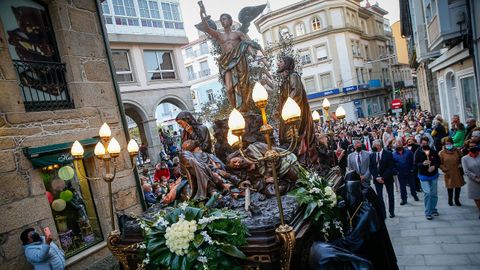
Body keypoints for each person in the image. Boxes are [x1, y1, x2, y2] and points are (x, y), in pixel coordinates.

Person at [200, 11, 261, 112]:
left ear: (230, 21)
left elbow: (246, 44)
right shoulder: (219, 34)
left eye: (224, 19)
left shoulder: (238, 33)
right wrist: (202, 15)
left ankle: (244, 109)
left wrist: (253, 54)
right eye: (221, 20)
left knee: (242, 86)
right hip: (226, 63)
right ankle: (236, 111)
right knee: (229, 88)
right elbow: (206, 28)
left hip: (239, 61)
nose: (222, 21)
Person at [277, 56, 319, 169]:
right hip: (287, 115)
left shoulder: (293, 76)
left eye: (280, 61)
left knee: (294, 136)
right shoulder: (284, 81)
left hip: (294, 115)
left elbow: (296, 92)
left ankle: (302, 159)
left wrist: (287, 107)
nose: (278, 64)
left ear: (286, 64)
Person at [226, 142, 299, 197]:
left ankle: (300, 183)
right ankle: (290, 185)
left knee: (294, 174)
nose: (237, 164)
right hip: (276, 178)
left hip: (282, 164)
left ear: (238, 155)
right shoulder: (248, 172)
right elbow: (256, 183)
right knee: (273, 191)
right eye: (235, 166)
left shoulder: (254, 148)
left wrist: (268, 174)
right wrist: (265, 180)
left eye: (235, 161)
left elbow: (274, 155)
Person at [414, 137, 441, 220]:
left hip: (433, 175)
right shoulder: (417, 152)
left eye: (426, 143)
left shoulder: (433, 151)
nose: (424, 145)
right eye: (423, 143)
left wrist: (434, 166)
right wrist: (423, 164)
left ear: (428, 143)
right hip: (423, 175)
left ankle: (433, 209)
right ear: (420, 143)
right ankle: (427, 212)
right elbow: (415, 164)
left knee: (434, 193)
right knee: (427, 193)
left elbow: (438, 162)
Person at [369, 140, 396, 219]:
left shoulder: (388, 154)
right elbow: (371, 167)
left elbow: (390, 167)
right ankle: (383, 213)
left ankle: (391, 212)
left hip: (387, 178)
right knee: (379, 197)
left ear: (379, 146)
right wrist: (376, 177)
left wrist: (383, 177)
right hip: (377, 179)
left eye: (374, 145)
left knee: (390, 195)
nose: (373, 147)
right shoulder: (372, 155)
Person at [439, 137, 465, 206]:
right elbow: (439, 163)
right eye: (447, 144)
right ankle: (450, 200)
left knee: (458, 187)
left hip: (457, 172)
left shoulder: (457, 151)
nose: (448, 145)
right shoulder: (441, 153)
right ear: (444, 144)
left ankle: (457, 199)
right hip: (448, 172)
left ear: (452, 143)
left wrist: (460, 164)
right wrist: (444, 168)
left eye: (450, 143)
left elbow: (462, 158)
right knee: (450, 187)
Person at [392, 139, 419, 205]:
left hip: (409, 171)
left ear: (402, 145)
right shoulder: (393, 154)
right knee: (402, 186)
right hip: (400, 173)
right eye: (397, 145)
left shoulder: (408, 152)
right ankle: (403, 199)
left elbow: (413, 161)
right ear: (395, 146)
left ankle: (414, 195)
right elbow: (392, 164)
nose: (398, 145)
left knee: (412, 185)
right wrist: (396, 172)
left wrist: (413, 169)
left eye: (399, 144)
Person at [461, 140, 480, 219]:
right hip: (473, 181)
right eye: (471, 146)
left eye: (474, 146)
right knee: (477, 197)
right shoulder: (465, 158)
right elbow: (466, 171)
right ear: (468, 148)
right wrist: (476, 177)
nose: (473, 148)